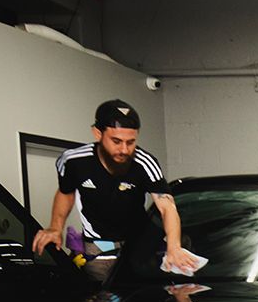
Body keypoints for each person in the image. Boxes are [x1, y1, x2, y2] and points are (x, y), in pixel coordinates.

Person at [32, 99, 195, 274]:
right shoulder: (73, 161)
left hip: (137, 242)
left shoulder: (145, 163)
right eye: (116, 141)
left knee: (139, 293)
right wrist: (56, 228)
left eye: (130, 142)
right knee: (100, 296)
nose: (124, 150)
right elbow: (66, 192)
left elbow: (166, 207)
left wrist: (174, 246)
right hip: (98, 245)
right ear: (97, 133)